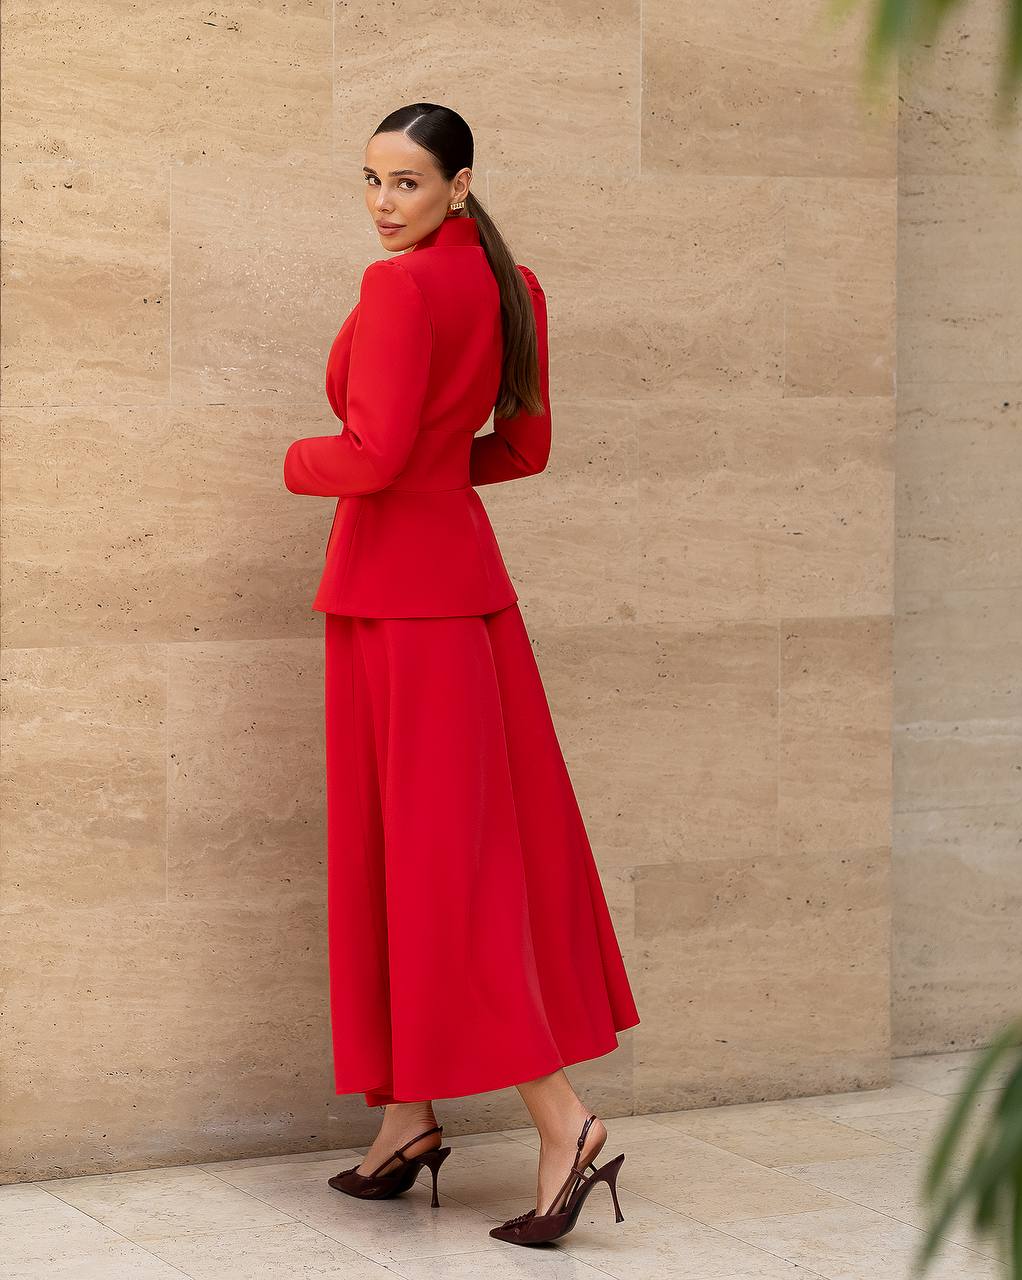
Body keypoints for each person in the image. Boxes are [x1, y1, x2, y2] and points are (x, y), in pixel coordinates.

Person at [283, 102, 639, 1247]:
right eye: (370, 179)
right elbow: (520, 448)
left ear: (459, 183)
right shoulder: (511, 284)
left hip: (398, 601)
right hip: (462, 597)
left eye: (406, 181)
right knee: (426, 856)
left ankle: (564, 1118)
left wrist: (295, 459)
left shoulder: (397, 289)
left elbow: (372, 453)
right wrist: (435, 466)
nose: (384, 202)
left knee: (442, 868)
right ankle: (407, 1117)